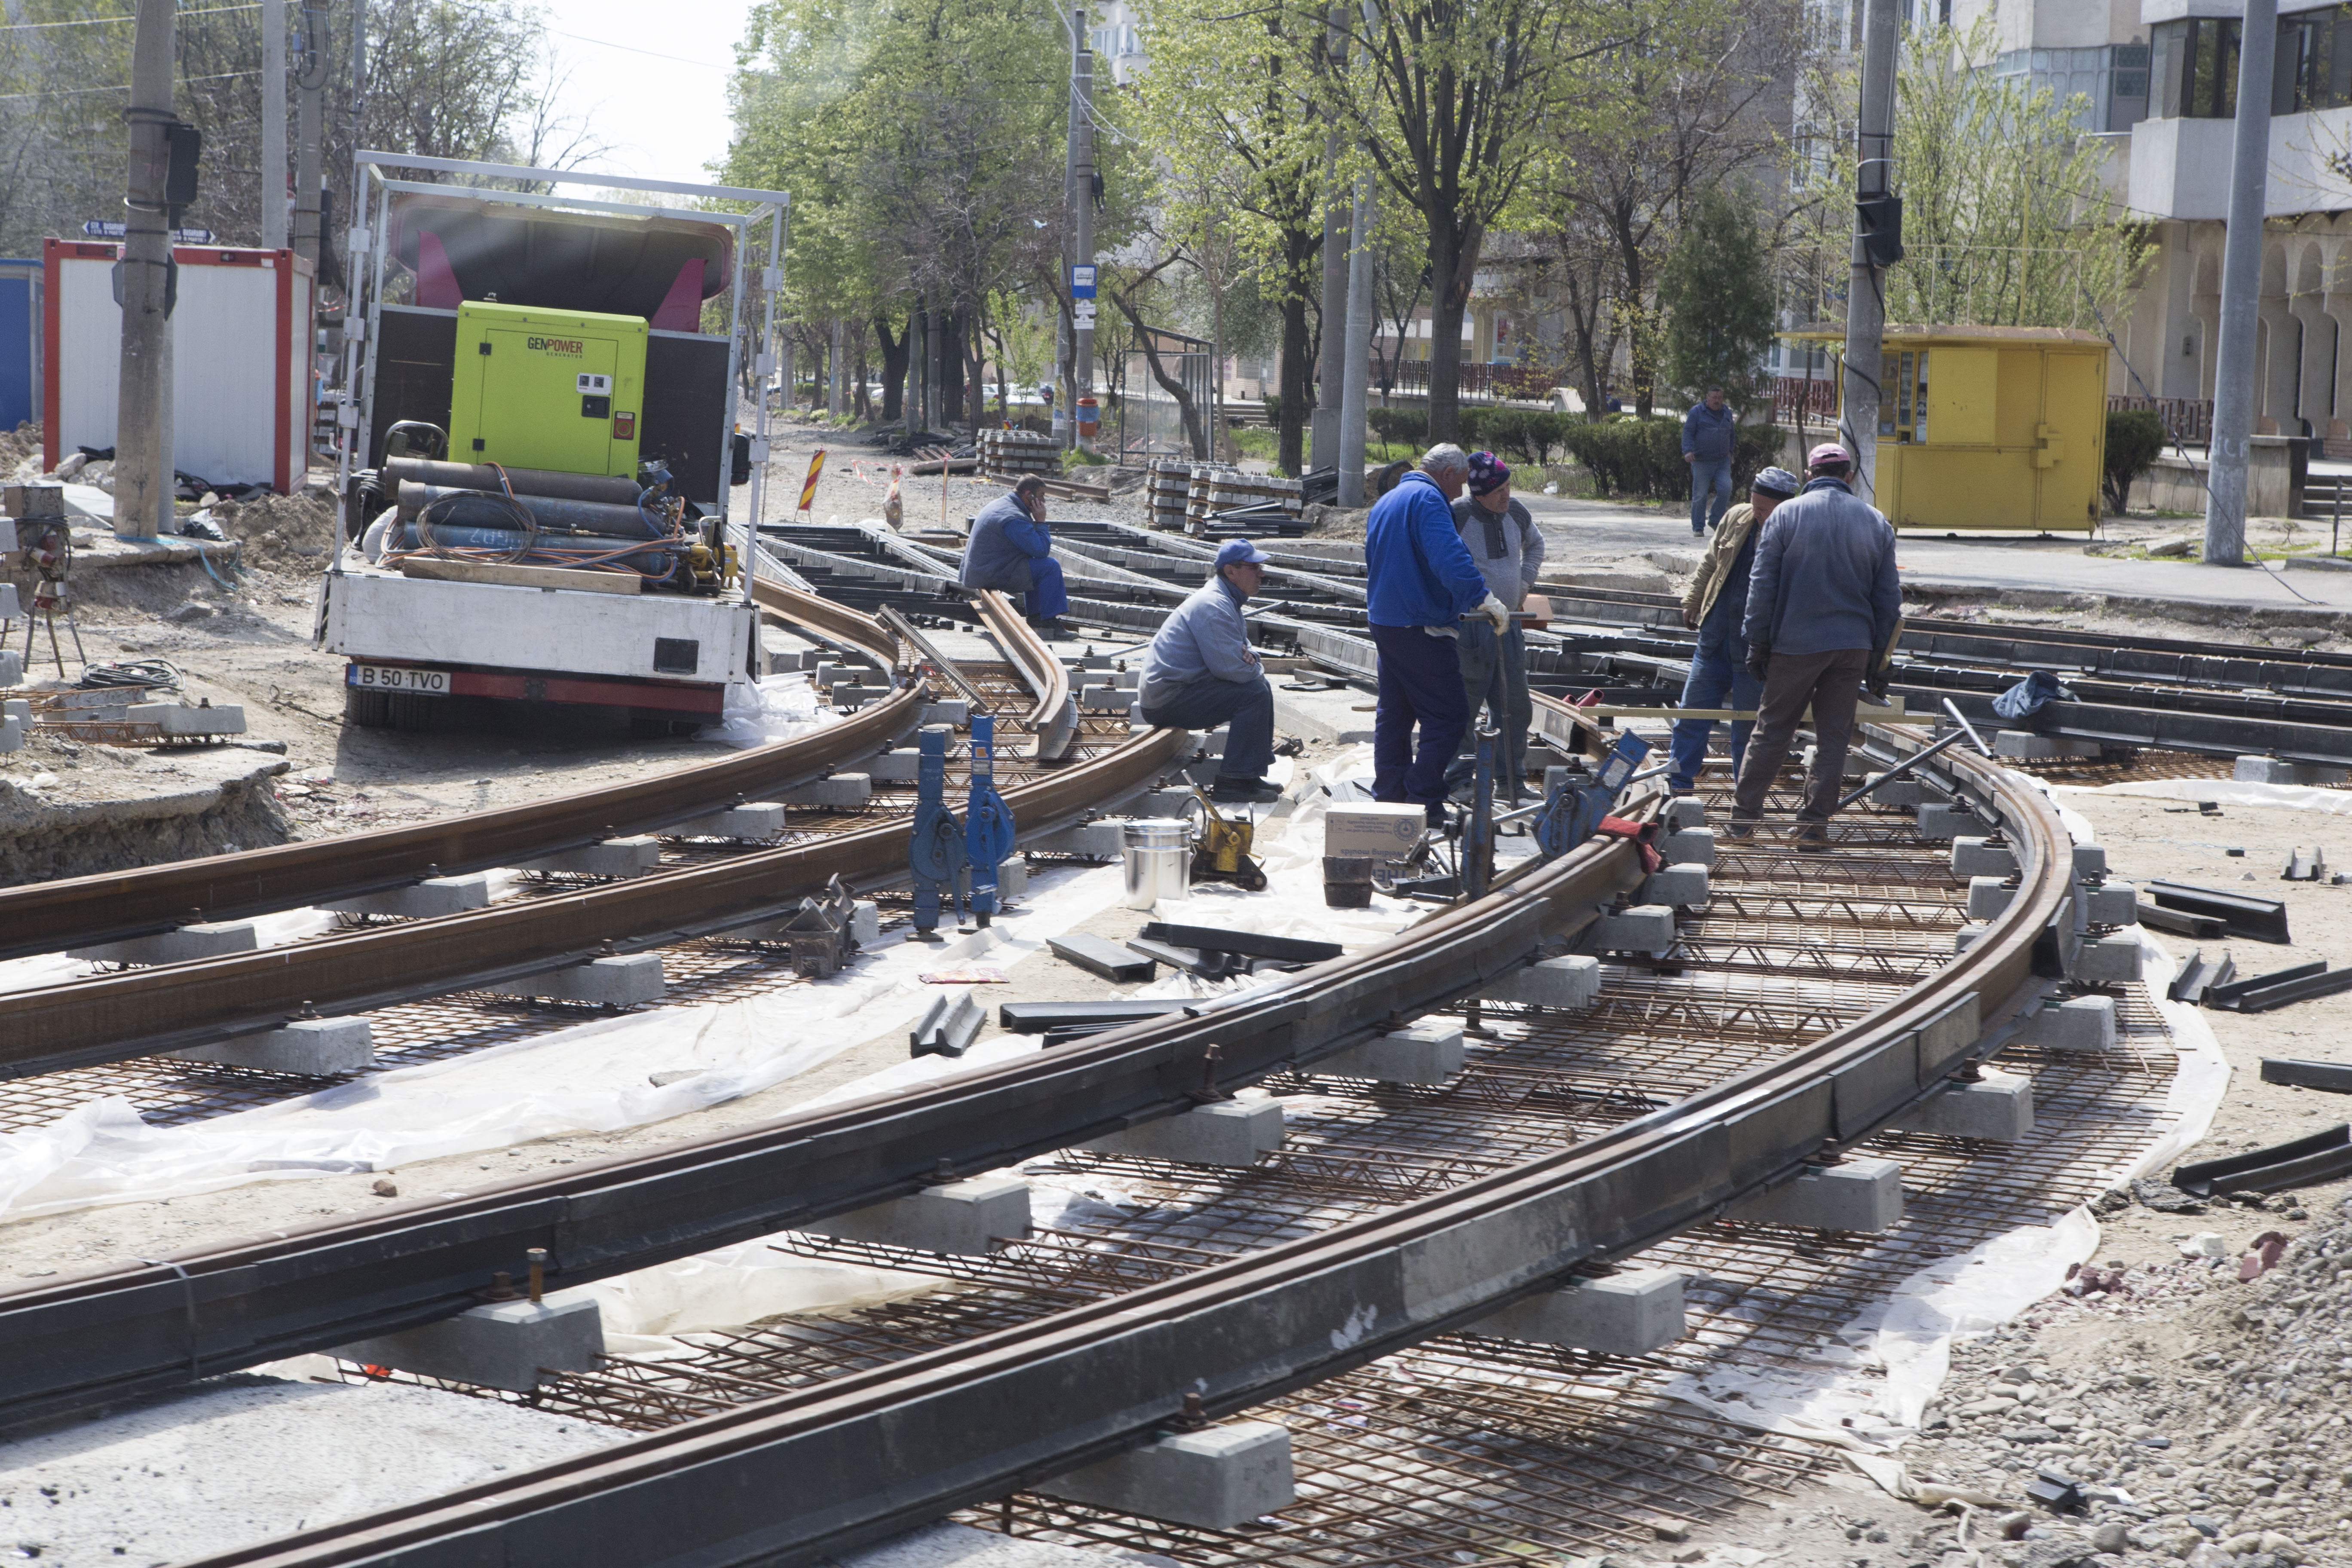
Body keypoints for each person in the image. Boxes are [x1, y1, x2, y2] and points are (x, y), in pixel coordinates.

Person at [1730, 443, 1901, 849]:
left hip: (1796, 645)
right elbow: (1888, 602)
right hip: (1852, 648)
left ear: (1809, 476)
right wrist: (1879, 661)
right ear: (1848, 477)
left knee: (1772, 729)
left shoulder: (1785, 516)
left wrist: (1757, 641)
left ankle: (1742, 822)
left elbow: (1762, 586)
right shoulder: (1877, 523)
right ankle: (1812, 827)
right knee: (1833, 738)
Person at [1365, 443, 1511, 825]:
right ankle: (1424, 800)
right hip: (1420, 625)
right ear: (1447, 474)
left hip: (1387, 621)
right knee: (1448, 715)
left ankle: (1391, 797)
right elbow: (1448, 555)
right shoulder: (1429, 500)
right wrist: (1482, 598)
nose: (1460, 493)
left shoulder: (1389, 500)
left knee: (1395, 715)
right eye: (1460, 484)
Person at [1666, 466, 1802, 796]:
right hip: (1715, 639)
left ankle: (1746, 798)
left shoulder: (1795, 534)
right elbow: (1711, 562)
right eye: (1754, 506)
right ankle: (1679, 785)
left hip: (1754, 653)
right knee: (1691, 717)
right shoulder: (1737, 517)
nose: (1757, 515)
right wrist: (1693, 600)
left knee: (1748, 729)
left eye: (1764, 511)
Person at [1137, 539, 1282, 803]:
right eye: (1254, 567)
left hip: (1181, 691)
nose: (1262, 573)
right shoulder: (1214, 605)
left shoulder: (1227, 600)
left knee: (1259, 688)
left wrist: (1251, 661)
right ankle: (1234, 784)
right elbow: (1232, 669)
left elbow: (1246, 652)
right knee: (1253, 693)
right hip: (1168, 699)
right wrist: (1253, 666)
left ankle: (1248, 775)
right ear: (1231, 571)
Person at [1445, 451, 1545, 804]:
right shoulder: (1457, 516)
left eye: (1507, 486)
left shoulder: (1516, 511)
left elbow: (1536, 545)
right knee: (1465, 706)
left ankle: (1511, 780)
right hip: (1472, 625)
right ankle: (1459, 781)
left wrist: (1522, 586)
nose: (1505, 495)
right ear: (1479, 493)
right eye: (1497, 490)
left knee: (1514, 704)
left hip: (1510, 625)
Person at [959, 475, 1068, 633]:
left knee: (1032, 564)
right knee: (1049, 567)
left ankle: (1036, 618)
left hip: (981, 570)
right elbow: (1041, 551)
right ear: (1028, 495)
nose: (1044, 502)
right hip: (988, 573)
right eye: (1041, 495)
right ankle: (1048, 624)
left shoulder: (1003, 504)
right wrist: (1041, 522)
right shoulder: (1014, 518)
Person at [1681, 385, 1736, 537]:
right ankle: (1698, 527)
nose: (1717, 401)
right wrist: (1687, 451)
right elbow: (1688, 432)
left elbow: (1732, 434)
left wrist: (1731, 450)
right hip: (1702, 460)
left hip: (1722, 460)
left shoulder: (1727, 412)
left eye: (1720, 398)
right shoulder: (1697, 413)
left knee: (1726, 488)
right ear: (1708, 397)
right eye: (1714, 398)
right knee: (1700, 495)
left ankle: (1715, 519)